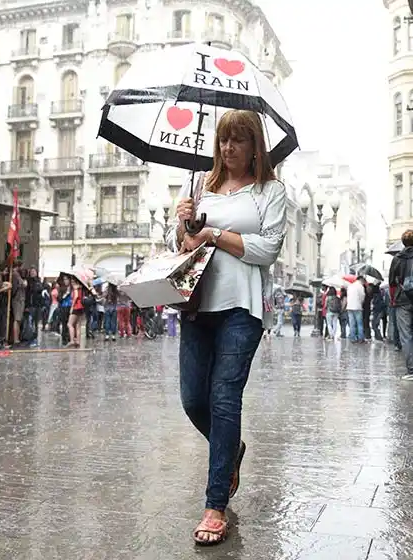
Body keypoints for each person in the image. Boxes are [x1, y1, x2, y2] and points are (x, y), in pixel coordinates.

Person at [166, 109, 286, 545]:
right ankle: (230, 449)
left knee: (223, 399)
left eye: (239, 140)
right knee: (192, 398)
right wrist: (183, 222)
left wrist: (213, 233)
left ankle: (215, 504)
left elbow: (266, 249)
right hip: (197, 305)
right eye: (223, 140)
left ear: (256, 147)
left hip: (242, 308)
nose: (229, 148)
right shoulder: (199, 186)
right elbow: (179, 245)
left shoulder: (271, 192)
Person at [389, 229, 413, 380]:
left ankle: (411, 370)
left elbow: (392, 281)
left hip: (403, 299)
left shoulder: (398, 258)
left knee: (406, 335)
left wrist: (394, 299)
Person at [346, 276, 366, 343]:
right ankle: (360, 338)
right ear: (361, 280)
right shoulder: (360, 286)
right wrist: (361, 303)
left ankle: (352, 338)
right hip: (357, 307)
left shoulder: (350, 286)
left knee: (352, 324)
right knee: (359, 323)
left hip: (349, 307)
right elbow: (362, 296)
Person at [66, 277, 84, 348]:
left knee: (69, 324)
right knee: (78, 325)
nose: (72, 283)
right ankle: (78, 342)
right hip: (81, 307)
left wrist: (72, 307)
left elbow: (76, 296)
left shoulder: (75, 288)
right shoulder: (81, 287)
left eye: (73, 281)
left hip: (76, 307)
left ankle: (72, 340)